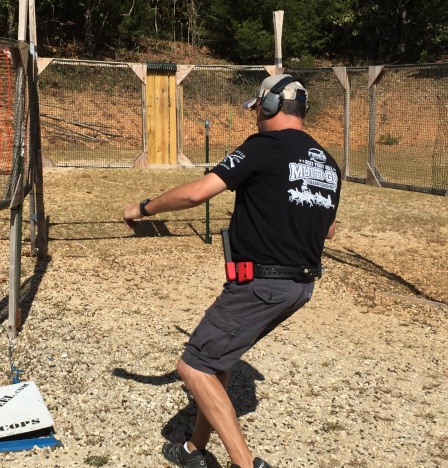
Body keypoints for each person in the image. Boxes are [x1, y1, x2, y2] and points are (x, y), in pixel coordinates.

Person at [123, 74, 341, 468]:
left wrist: (143, 208)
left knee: (193, 366)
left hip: (260, 285)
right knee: (216, 360)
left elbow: (196, 193)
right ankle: (194, 449)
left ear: (270, 106)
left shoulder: (262, 146)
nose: (256, 115)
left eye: (258, 107)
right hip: (300, 287)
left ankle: (244, 463)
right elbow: (328, 229)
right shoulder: (327, 162)